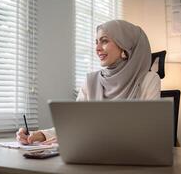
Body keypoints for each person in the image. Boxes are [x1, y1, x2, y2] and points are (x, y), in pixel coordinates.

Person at [16, 20, 161, 145]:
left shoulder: (149, 79)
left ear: (125, 46)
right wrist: (38, 135)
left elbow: (150, 133)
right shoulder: (90, 81)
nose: (97, 48)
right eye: (96, 42)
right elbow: (74, 126)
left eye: (104, 41)